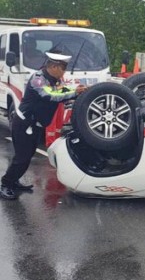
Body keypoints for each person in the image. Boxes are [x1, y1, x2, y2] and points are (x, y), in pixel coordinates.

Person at [0, 51, 87, 200]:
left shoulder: (53, 80)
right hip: (24, 123)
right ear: (53, 66)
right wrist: (73, 93)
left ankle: (14, 180)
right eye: (63, 68)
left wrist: (76, 90)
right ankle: (5, 185)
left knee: (26, 156)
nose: (64, 72)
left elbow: (59, 91)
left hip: (35, 123)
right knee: (22, 157)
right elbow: (50, 95)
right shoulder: (38, 79)